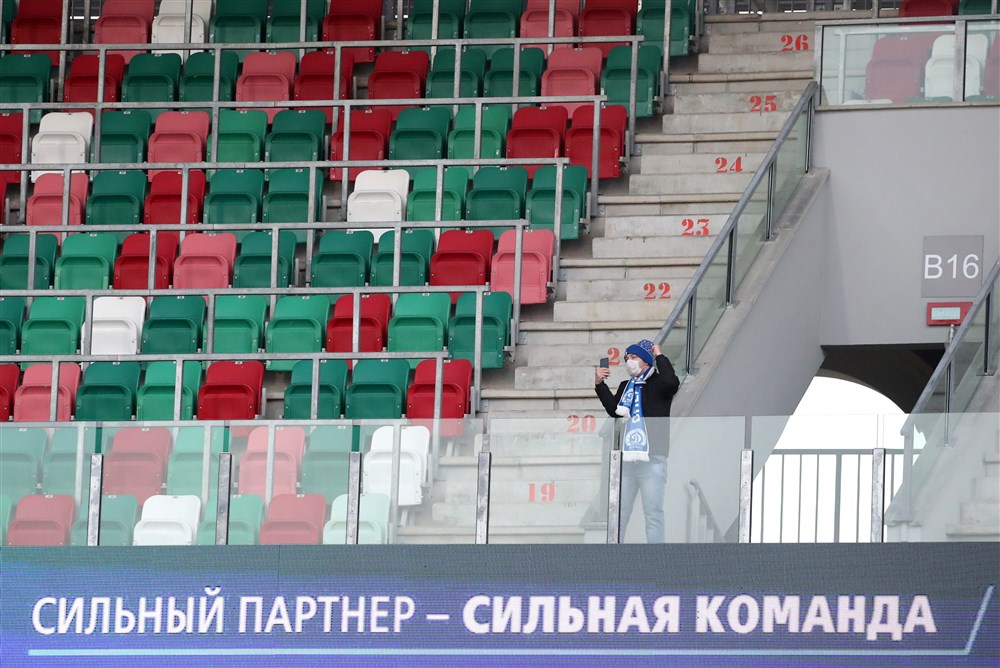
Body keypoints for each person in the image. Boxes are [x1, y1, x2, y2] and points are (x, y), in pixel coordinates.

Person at [595, 339, 680, 543]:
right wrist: (599, 385)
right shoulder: (626, 386)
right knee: (619, 513)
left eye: (633, 357)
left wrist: (659, 355)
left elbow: (672, 382)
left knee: (653, 514)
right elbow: (614, 410)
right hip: (627, 461)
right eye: (627, 358)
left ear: (646, 361)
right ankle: (613, 556)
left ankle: (655, 560)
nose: (629, 362)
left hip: (653, 458)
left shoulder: (659, 383)